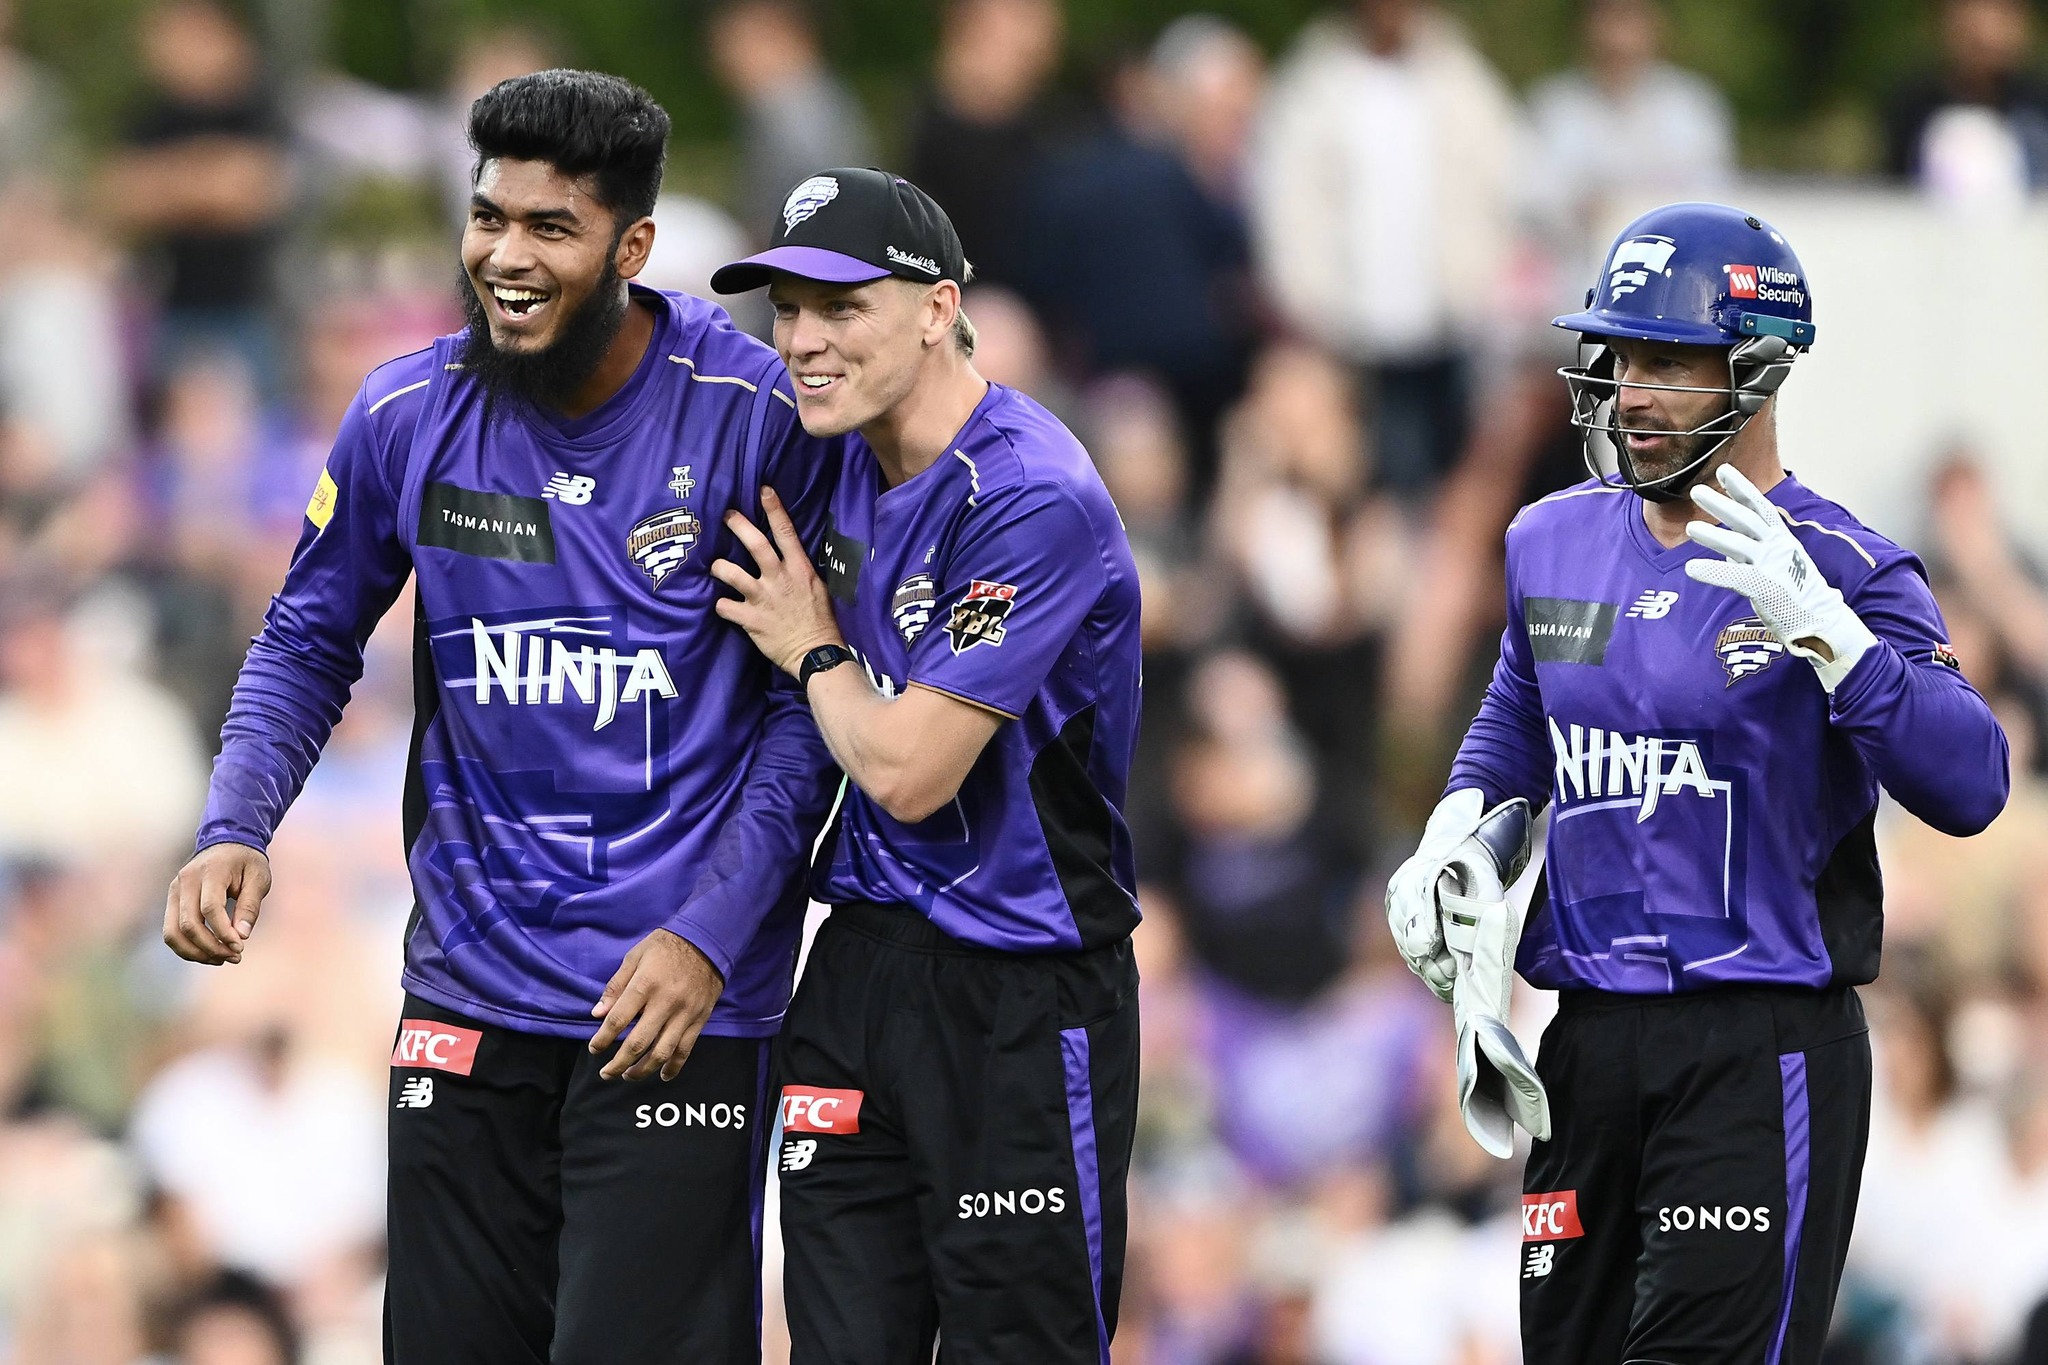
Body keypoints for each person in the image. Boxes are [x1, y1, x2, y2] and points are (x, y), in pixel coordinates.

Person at [160, 71, 841, 1364]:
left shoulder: (757, 418)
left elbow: (811, 717)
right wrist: (235, 821)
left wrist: (706, 936)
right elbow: (308, 636)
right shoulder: (407, 413)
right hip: (467, 997)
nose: (505, 258)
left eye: (549, 229)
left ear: (633, 249)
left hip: (676, 1008)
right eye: (488, 219)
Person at [1383, 202, 2011, 1364]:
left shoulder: (1841, 563)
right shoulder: (1547, 540)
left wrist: (1837, 646)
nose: (1632, 390)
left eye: (1667, 360)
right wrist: (1453, 833)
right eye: (1620, 358)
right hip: (1582, 1045)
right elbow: (1518, 727)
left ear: (1758, 368)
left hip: (1755, 1041)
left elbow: (1971, 781)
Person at [706, 166, 1143, 1363]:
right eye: (786, 308)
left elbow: (906, 773)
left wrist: (810, 647)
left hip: (1021, 980)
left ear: (937, 307)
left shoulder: (1030, 496)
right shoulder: (829, 447)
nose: (802, 341)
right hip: (856, 971)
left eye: (839, 307)